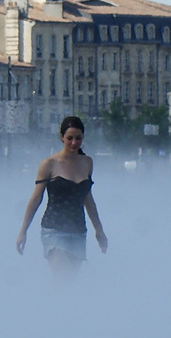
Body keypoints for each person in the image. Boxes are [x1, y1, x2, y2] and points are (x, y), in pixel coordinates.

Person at [16, 116, 108, 275]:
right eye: (69, 138)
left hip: (78, 230)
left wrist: (99, 230)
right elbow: (36, 198)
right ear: (61, 137)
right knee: (61, 277)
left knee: (70, 281)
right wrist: (23, 231)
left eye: (78, 138)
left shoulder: (87, 162)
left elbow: (88, 198)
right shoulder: (49, 164)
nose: (74, 143)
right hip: (54, 229)